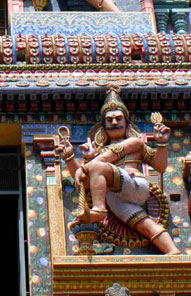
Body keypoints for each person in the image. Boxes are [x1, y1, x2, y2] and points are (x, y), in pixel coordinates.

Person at [54, 88, 179, 254]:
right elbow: (83, 179)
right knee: (147, 226)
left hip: (134, 185)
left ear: (127, 124)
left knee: (98, 167)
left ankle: (98, 209)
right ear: (103, 127)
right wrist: (70, 158)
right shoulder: (98, 157)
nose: (114, 122)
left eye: (118, 118)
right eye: (109, 120)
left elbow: (160, 167)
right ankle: (173, 251)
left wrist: (161, 144)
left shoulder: (134, 143)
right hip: (115, 198)